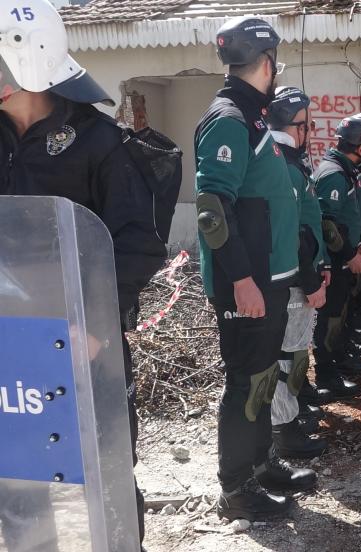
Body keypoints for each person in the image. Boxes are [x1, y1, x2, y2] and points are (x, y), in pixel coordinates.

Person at [0, 1, 168, 547]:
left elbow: (137, 242)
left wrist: (95, 327)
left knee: (105, 469)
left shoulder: (98, 140)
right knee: (17, 476)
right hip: (10, 341)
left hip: (80, 342)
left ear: (26, 57)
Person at [194, 17, 316, 522]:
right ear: (267, 62)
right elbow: (212, 210)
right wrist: (242, 280)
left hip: (269, 278)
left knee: (264, 379)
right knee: (246, 383)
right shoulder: (229, 118)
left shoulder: (254, 116)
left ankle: (262, 465)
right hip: (247, 283)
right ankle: (237, 488)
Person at [265, 86, 330, 455]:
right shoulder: (286, 167)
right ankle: (284, 432)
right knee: (287, 357)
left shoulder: (289, 162)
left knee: (293, 354)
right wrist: (311, 279)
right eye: (308, 125)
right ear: (295, 127)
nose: (311, 133)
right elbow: (292, 235)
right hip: (292, 282)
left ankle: (291, 416)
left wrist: (322, 265)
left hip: (300, 275)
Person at [312, 116, 361, 399]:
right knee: (330, 317)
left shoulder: (344, 171)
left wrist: (359, 241)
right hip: (334, 261)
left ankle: (338, 360)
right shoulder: (334, 175)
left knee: (340, 313)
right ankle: (326, 375)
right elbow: (328, 225)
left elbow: (347, 219)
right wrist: (350, 254)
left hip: (343, 256)